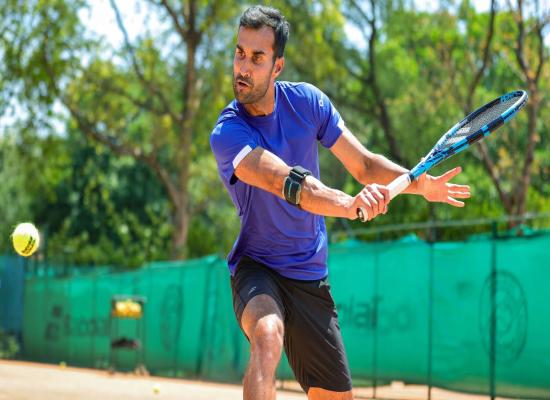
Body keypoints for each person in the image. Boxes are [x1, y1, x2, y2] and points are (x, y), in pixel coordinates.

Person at [210, 5, 470, 400]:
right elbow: (286, 183)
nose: (243, 67)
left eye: (257, 57)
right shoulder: (228, 132)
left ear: (277, 66)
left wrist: (418, 184)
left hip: (309, 274)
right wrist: (350, 205)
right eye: (239, 53)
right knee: (266, 334)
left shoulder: (308, 103)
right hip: (257, 267)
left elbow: (364, 164)